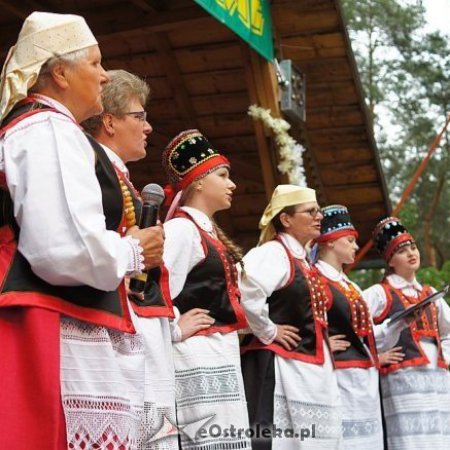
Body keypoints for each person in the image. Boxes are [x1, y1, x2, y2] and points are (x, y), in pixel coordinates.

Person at [0, 12, 163, 450]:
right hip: (50, 323)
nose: (104, 74)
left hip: (56, 316)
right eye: (95, 62)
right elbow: (62, 248)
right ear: (60, 73)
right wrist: (131, 251)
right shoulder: (49, 129)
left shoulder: (40, 128)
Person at [82, 69, 178, 449]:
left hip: (136, 327)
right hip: (109, 327)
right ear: (109, 121)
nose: (148, 127)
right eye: (139, 117)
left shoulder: (119, 178)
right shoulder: (91, 168)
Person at [161, 129, 251, 450]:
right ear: (198, 182)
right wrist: (174, 327)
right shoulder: (182, 230)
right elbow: (154, 290)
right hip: (196, 359)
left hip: (219, 355)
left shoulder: (206, 232)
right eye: (223, 175)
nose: (232, 184)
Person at [239, 184, 342, 450]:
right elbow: (247, 290)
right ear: (285, 219)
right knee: (279, 439)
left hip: (308, 367)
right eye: (310, 211)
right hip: (282, 366)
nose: (319, 216)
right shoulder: (274, 253)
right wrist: (269, 330)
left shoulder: (303, 260)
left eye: (318, 211)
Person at [315, 205, 405, 450]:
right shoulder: (315, 280)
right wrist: (318, 341)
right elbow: (298, 321)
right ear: (330, 241)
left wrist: (397, 325)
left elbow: (363, 334)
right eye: (350, 240)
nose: (356, 246)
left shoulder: (352, 287)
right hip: (337, 375)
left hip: (364, 380)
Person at [364, 217, 450, 450]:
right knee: (409, 439)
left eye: (413, 247)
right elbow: (355, 327)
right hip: (402, 378)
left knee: (440, 436)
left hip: (437, 377)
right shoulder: (379, 293)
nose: (411, 253)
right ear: (390, 260)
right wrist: (375, 356)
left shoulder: (430, 292)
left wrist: (447, 357)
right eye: (402, 251)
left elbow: (448, 331)